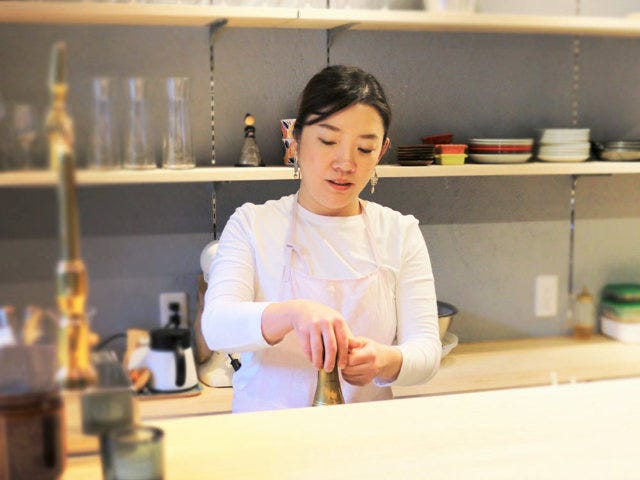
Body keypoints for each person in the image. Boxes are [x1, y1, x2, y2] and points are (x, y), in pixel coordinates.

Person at [201, 64, 441, 413]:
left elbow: (427, 352)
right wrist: (293, 314)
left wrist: (385, 360)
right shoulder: (252, 224)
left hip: (364, 433)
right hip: (266, 434)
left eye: (365, 149)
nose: (345, 163)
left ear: (381, 151)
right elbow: (216, 326)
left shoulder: (399, 232)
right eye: (328, 141)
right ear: (296, 140)